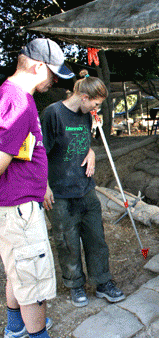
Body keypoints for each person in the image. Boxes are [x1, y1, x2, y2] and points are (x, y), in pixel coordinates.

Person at [0, 38, 74, 338]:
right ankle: (36, 333)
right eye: (53, 73)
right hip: (18, 209)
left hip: (17, 204)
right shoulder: (16, 101)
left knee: (19, 272)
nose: (55, 80)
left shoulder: (18, 97)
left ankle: (16, 326)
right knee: (34, 283)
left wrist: (39, 183)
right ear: (38, 66)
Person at [41, 70, 125, 308]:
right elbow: (39, 152)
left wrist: (91, 152)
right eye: (96, 104)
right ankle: (75, 284)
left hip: (86, 188)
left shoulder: (86, 115)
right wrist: (43, 186)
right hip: (58, 191)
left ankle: (102, 282)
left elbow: (84, 142)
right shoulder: (52, 114)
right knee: (67, 241)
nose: (96, 109)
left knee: (96, 238)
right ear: (84, 96)